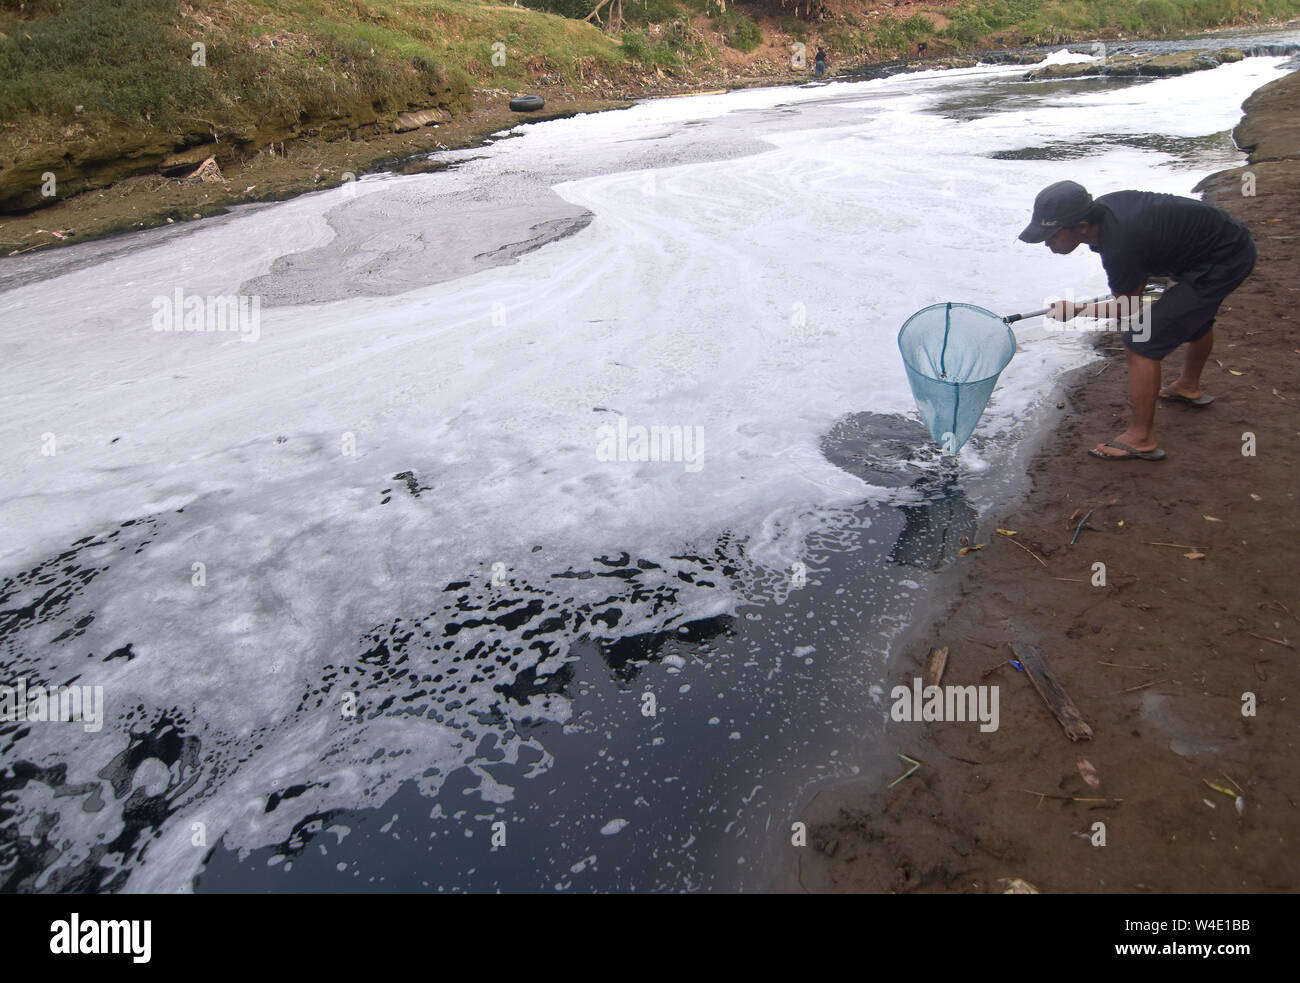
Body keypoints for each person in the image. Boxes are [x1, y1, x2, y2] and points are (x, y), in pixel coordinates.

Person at [1019, 180, 1256, 461]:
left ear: (1082, 226)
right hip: (1212, 247)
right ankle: (1187, 387)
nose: (1047, 243)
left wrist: (1076, 311)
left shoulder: (1120, 244)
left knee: (1139, 342)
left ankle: (1141, 437)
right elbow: (1140, 266)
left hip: (1224, 258)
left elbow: (1126, 307)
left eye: (1052, 235)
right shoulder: (1106, 214)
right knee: (1193, 315)